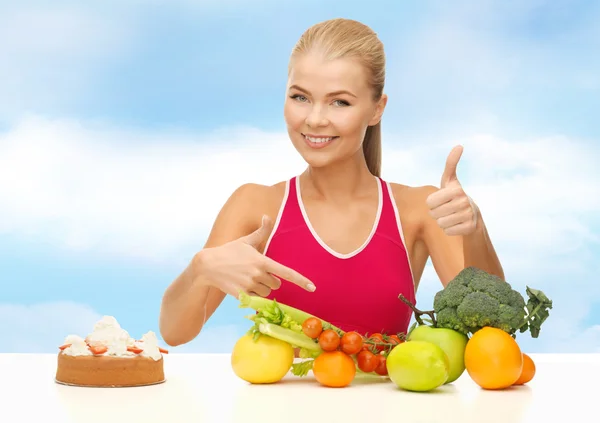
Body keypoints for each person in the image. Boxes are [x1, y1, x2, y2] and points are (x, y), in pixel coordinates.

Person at [159, 18, 505, 347]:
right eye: (300, 97)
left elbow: (491, 331)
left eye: (339, 102)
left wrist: (475, 228)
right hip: (275, 410)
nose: (315, 119)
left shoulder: (419, 209)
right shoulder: (254, 205)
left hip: (386, 410)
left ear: (376, 109)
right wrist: (201, 267)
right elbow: (175, 333)